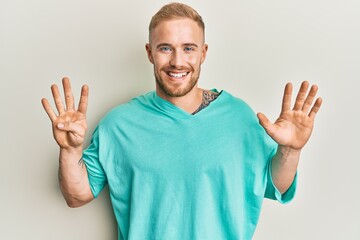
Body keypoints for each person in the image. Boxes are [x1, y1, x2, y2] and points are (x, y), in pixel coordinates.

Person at [41, 2, 322, 240]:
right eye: (165, 48)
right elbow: (77, 195)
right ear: (150, 53)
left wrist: (291, 150)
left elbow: (278, 186)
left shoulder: (239, 117)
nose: (177, 61)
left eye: (188, 48)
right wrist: (69, 150)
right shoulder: (118, 124)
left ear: (203, 53)